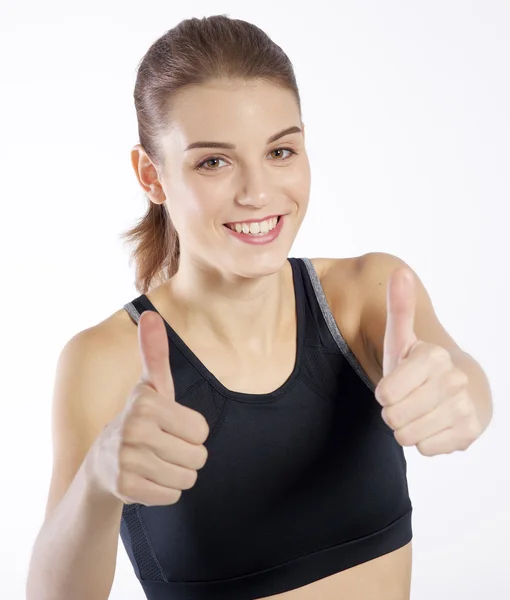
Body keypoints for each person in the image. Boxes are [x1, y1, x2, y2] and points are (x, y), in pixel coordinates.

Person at [26, 14, 492, 600]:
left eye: (280, 151)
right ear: (152, 175)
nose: (258, 193)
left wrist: (463, 394)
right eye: (213, 161)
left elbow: (461, 376)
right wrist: (98, 480)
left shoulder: (364, 295)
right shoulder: (103, 361)